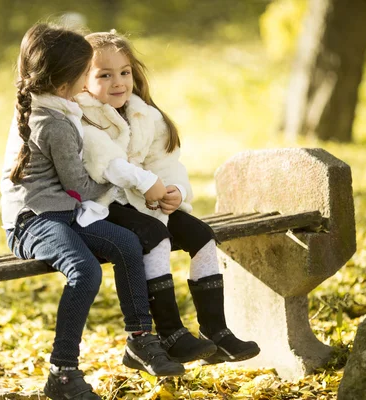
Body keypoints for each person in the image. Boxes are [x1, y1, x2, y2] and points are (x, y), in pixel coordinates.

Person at [0, 24, 184, 400]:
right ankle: (62, 372)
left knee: (128, 244)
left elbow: (75, 190)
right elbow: (79, 186)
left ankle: (139, 338)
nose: (90, 80)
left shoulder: (59, 108)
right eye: (87, 72)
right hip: (32, 222)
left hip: (65, 215)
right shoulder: (51, 122)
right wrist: (131, 184)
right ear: (66, 80)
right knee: (84, 271)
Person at [73, 30, 261, 365]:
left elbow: (165, 164)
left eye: (124, 72)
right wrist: (149, 186)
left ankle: (215, 330)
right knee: (155, 237)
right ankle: (170, 332)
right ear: (83, 81)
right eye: (104, 75)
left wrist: (176, 191)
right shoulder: (83, 118)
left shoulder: (145, 115)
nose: (118, 82)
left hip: (148, 200)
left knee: (202, 235)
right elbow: (108, 167)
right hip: (105, 206)